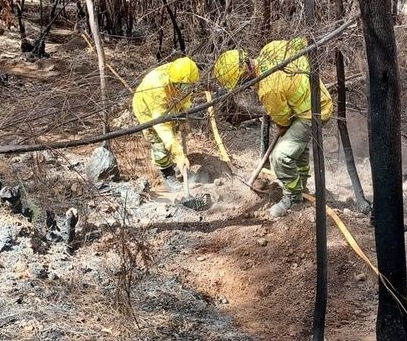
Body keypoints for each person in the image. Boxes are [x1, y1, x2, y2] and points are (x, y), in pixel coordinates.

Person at [214, 40, 332, 217]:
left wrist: (284, 129)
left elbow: (283, 121)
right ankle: (302, 186)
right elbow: (302, 42)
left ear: (245, 74)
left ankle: (293, 198)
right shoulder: (270, 49)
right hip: (318, 100)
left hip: (313, 113)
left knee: (281, 156)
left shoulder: (268, 90)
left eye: (240, 82)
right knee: (297, 148)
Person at [132, 56, 199, 192]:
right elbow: (163, 127)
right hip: (148, 110)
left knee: (173, 131)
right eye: (181, 86)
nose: (184, 89)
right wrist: (179, 155)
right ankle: (167, 172)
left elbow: (185, 98)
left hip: (169, 103)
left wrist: (183, 114)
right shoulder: (157, 85)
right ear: (173, 81)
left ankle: (176, 165)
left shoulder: (182, 75)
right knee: (159, 141)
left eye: (188, 87)